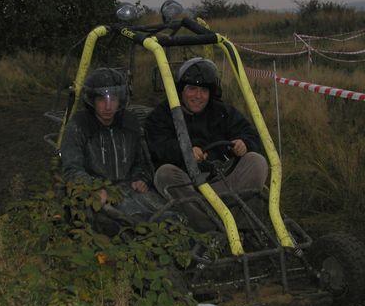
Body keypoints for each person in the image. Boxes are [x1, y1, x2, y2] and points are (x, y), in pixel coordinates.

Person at [145, 57, 268, 232]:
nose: (198, 96)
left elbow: (250, 133)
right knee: (164, 174)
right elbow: (158, 147)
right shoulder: (162, 115)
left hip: (222, 183)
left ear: (211, 93)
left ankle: (216, 224)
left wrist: (244, 143)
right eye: (192, 89)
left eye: (203, 90)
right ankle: (218, 228)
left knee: (257, 161)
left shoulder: (222, 111)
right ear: (181, 90)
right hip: (188, 188)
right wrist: (185, 152)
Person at [60, 67, 156, 229]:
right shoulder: (79, 125)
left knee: (169, 214)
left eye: (113, 99)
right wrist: (92, 188)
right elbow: (71, 168)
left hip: (129, 189)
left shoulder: (130, 122)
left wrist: (141, 178)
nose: (108, 106)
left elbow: (142, 161)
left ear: (121, 100)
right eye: (102, 99)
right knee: (134, 223)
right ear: (92, 101)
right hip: (98, 192)